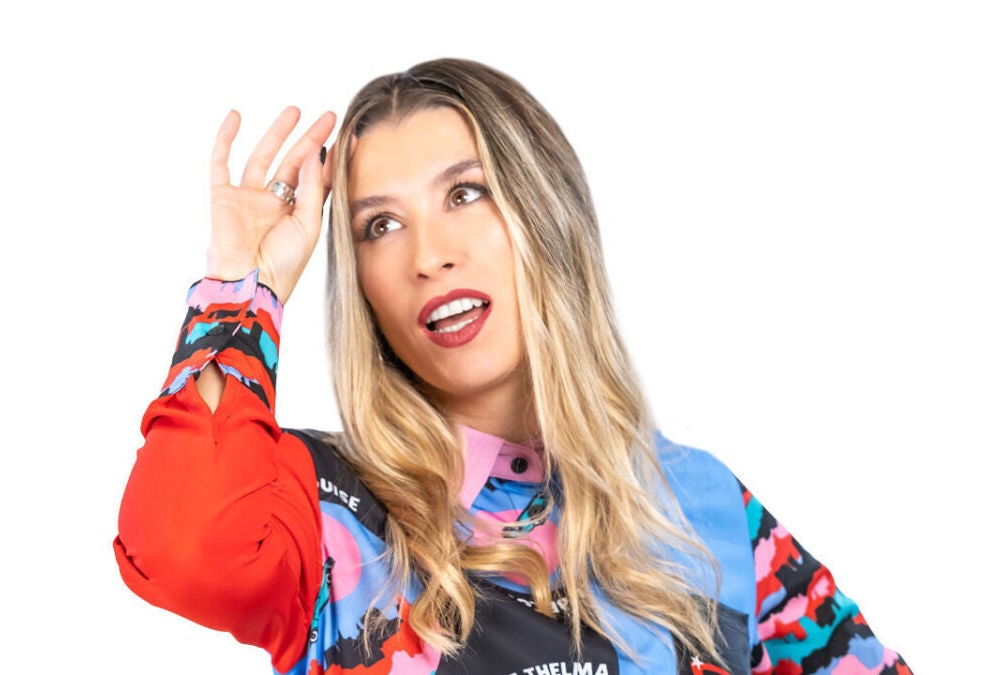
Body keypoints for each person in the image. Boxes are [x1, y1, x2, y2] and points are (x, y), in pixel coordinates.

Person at [113, 58, 912, 675]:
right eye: (380, 225)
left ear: (545, 212)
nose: (429, 255)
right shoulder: (326, 509)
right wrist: (241, 288)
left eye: (465, 194)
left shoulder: (695, 503)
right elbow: (185, 549)